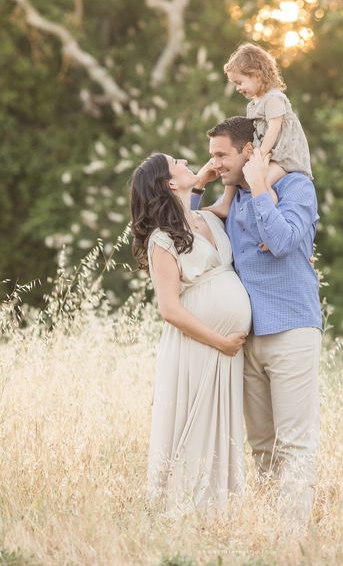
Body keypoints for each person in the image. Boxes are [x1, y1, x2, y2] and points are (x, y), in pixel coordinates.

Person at [194, 116, 322, 526]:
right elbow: (182, 230)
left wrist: (261, 186)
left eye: (220, 155)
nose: (215, 164)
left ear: (249, 150)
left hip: (292, 329)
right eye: (211, 156)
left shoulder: (296, 187)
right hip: (246, 339)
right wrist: (199, 184)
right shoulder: (233, 201)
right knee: (262, 444)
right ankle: (269, 529)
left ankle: (293, 536)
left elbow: (283, 242)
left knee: (294, 443)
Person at [129, 152, 251, 516]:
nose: (185, 159)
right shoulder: (161, 240)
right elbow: (169, 309)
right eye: (175, 161)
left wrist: (218, 174)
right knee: (193, 424)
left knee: (219, 424)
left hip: (226, 349)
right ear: (169, 182)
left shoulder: (207, 218)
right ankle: (184, 511)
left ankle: (218, 511)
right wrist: (219, 341)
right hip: (198, 345)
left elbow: (231, 198)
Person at [208, 43, 312, 218]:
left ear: (256, 75)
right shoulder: (254, 104)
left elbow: (274, 128)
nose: (238, 88)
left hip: (284, 156)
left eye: (239, 82)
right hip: (267, 152)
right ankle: (226, 204)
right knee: (238, 167)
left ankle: (272, 223)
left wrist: (261, 154)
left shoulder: (274, 98)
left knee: (262, 182)